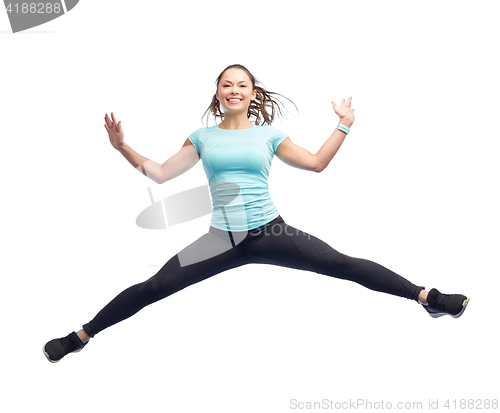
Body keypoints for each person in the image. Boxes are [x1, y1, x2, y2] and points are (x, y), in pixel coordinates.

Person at [43, 64, 469, 363]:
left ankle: (426, 298)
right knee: (156, 286)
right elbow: (159, 172)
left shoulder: (269, 135)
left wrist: (344, 124)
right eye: (226, 84)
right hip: (220, 239)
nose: (234, 90)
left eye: (242, 85)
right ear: (218, 93)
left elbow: (317, 163)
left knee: (341, 264)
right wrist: (121, 147)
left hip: (271, 231)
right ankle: (81, 337)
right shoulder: (203, 136)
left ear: (251, 93)